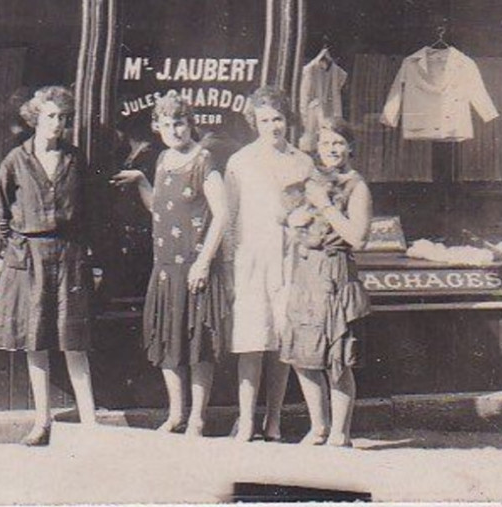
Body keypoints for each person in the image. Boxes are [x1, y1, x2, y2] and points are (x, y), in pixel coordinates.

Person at [0, 86, 100, 447]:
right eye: (52, 116)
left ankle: (91, 425)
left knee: (74, 342)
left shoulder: (75, 159)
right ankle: (42, 422)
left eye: (64, 118)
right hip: (30, 257)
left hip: (69, 255)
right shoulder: (16, 161)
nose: (58, 124)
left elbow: (93, 208)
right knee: (35, 342)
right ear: (36, 117)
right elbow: (0, 212)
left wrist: (87, 254)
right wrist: (18, 247)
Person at [112, 94, 231, 436]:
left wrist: (204, 263)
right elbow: (160, 209)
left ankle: (197, 417)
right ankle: (176, 414)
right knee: (170, 343)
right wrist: (142, 182)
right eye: (166, 125)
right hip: (165, 268)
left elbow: (222, 215)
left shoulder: (204, 160)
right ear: (158, 128)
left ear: (190, 123)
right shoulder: (163, 159)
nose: (174, 130)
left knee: (197, 346)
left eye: (179, 123)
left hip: (194, 267)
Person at [224, 87, 314, 442]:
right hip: (251, 256)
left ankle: (273, 421)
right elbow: (230, 217)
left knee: (281, 340)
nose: (272, 126)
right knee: (251, 339)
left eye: (277, 118)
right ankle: (246, 420)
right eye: (264, 120)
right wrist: (229, 264)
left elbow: (311, 209)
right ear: (254, 123)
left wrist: (299, 220)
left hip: (289, 258)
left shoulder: (302, 162)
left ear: (286, 120)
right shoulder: (240, 161)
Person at [281, 118, 373, 447]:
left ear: (349, 146)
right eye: (325, 143)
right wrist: (294, 222)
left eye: (338, 142)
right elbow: (290, 221)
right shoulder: (312, 180)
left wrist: (326, 206)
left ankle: (340, 433)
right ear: (316, 148)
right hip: (307, 273)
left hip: (336, 274)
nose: (332, 149)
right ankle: (318, 427)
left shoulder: (356, 186)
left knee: (338, 359)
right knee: (303, 357)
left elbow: (358, 238)